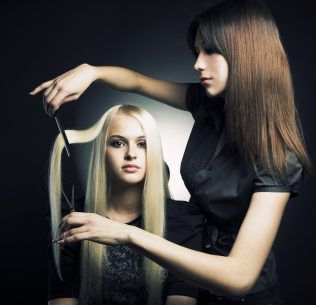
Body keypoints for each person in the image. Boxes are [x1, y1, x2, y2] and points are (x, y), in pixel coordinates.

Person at [31, 0, 312, 304]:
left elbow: (239, 277)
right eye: (197, 52)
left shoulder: (278, 156)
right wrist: (92, 72)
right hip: (194, 284)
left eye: (211, 51)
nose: (197, 63)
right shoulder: (207, 105)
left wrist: (127, 234)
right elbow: (137, 82)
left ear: (247, 55)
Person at [46, 104, 204, 305]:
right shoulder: (73, 217)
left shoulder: (183, 220)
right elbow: (62, 298)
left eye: (142, 144)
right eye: (118, 143)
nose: (131, 154)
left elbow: (183, 299)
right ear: (102, 150)